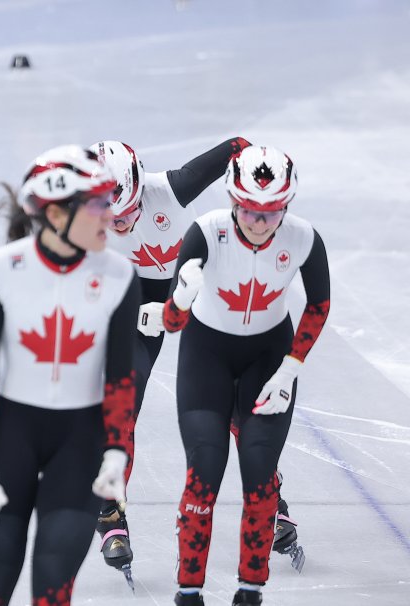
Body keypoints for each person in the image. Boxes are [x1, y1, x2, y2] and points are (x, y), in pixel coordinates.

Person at [0, 145, 140, 605]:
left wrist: (117, 453)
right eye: (99, 203)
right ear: (57, 213)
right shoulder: (1, 270)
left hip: (78, 447)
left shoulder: (121, 276)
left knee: (53, 589)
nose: (111, 213)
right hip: (9, 442)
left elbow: (121, 379)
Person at [162, 145, 330, 605]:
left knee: (260, 475)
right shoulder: (205, 232)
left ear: (287, 205)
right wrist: (179, 300)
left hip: (268, 361)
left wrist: (290, 367)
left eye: (272, 211)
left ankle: (249, 593)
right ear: (233, 201)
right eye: (250, 210)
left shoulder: (303, 238)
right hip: (205, 358)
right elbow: (173, 326)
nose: (259, 222)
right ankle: (189, 592)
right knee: (205, 472)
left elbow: (318, 304)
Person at [87, 138, 256, 572]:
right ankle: (109, 512)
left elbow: (240, 147)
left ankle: (270, 496)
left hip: (202, 284)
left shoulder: (176, 188)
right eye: (111, 220)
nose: (119, 228)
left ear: (140, 190)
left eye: (125, 216)